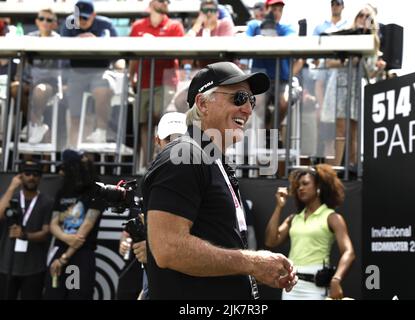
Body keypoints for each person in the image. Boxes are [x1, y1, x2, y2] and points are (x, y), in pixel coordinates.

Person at [141, 61, 297, 299]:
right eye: (239, 97)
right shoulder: (184, 155)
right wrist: (251, 262)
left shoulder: (213, 160)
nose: (247, 108)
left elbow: (216, 248)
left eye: (251, 101)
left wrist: (257, 270)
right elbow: (168, 249)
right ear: (203, 104)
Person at [118, 112, 187, 300]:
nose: (174, 145)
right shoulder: (155, 178)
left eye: (179, 139)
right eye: (169, 139)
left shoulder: (201, 178)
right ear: (157, 141)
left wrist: (155, 252)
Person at [265, 164, 355, 300]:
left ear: (318, 187)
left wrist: (336, 280)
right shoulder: (293, 219)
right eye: (298, 186)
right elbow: (270, 241)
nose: (300, 188)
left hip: (315, 288)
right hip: (291, 287)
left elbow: (349, 252)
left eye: (305, 184)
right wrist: (279, 206)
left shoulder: (332, 217)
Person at [128, 0, 184, 171]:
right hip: (144, 80)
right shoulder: (138, 26)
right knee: (144, 122)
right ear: (152, 3)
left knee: (159, 117)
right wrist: (132, 77)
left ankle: (161, 160)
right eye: (162, 0)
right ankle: (147, 165)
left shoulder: (175, 26)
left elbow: (180, 53)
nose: (166, 3)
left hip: (166, 81)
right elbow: (132, 55)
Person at [43, 149, 105, 300]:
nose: (61, 173)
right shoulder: (62, 192)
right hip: (60, 250)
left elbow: (85, 229)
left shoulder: (95, 191)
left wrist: (64, 258)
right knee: (54, 293)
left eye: (64, 168)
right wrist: (66, 237)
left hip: (80, 254)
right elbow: (53, 224)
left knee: (77, 294)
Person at [62, 0, 118, 145]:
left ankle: (101, 130)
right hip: (76, 72)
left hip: (101, 69)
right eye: (78, 17)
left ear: (93, 15)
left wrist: (97, 42)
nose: (80, 21)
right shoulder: (69, 23)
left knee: (102, 89)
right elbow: (61, 50)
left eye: (84, 17)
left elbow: (117, 50)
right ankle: (73, 151)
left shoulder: (106, 24)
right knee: (75, 118)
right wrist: (77, 41)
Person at [0, 161, 53, 300]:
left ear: (40, 178)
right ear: (20, 176)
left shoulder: (46, 202)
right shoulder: (12, 198)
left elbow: (46, 233)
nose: (31, 177)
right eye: (27, 173)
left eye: (35, 174)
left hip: (34, 268)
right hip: (7, 265)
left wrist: (25, 235)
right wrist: (11, 187)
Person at [246, 0, 303, 130]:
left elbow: (293, 40)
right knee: (255, 102)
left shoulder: (285, 28)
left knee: (284, 102)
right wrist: (260, 38)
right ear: (266, 9)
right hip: (260, 78)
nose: (277, 13)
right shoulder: (255, 26)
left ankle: (270, 131)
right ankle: (269, 130)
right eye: (273, 9)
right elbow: (244, 38)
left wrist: (271, 38)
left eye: (280, 10)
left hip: (282, 80)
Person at [15, 8, 61, 144]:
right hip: (30, 81)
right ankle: (36, 124)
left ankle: (34, 125)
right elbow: (21, 61)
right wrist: (19, 77)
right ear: (36, 21)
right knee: (14, 88)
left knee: (39, 91)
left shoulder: (58, 40)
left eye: (49, 20)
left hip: (49, 83)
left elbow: (57, 70)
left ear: (55, 24)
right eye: (41, 19)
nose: (44, 22)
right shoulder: (29, 38)